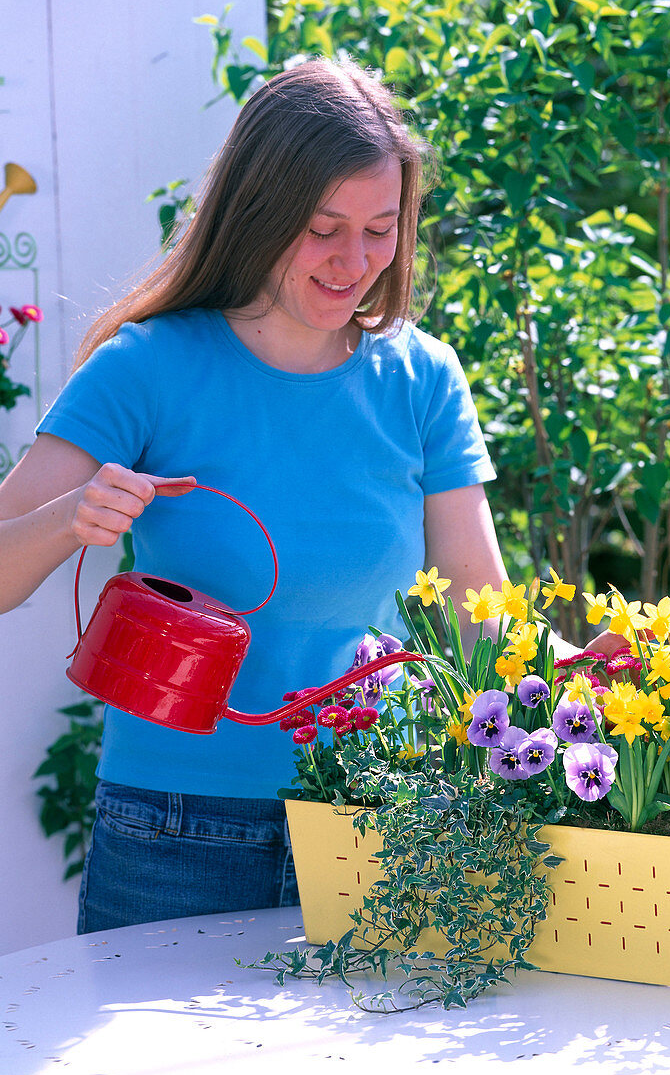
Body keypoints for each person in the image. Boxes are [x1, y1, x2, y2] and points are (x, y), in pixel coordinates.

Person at [0, 58, 622, 934]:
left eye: (380, 229)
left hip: (374, 820)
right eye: (322, 228)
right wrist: (72, 518)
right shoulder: (147, 367)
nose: (354, 261)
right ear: (259, 212)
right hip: (172, 829)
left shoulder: (422, 379)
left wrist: (581, 669)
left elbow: (484, 611)